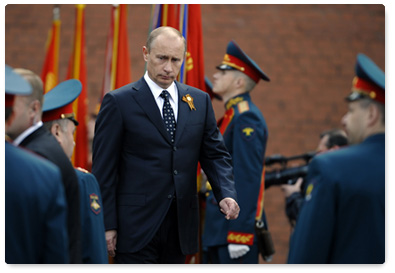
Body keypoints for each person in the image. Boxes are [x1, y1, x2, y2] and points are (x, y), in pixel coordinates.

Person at [92, 26, 240, 264]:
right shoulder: (119, 102)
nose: (168, 68)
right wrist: (107, 224)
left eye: (175, 60)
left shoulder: (199, 101)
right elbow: (104, 170)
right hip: (135, 229)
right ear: (146, 53)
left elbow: (214, 154)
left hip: (180, 228)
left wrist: (226, 193)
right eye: (161, 58)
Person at [287, 53, 385, 263]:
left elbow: (305, 258)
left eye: (351, 110)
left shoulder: (330, 167)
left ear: (372, 116)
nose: (344, 120)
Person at [201, 40, 270, 264]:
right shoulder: (231, 116)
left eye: (224, 71)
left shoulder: (246, 117)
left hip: (232, 231)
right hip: (217, 228)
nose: (216, 74)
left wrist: (241, 234)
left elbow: (247, 176)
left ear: (239, 82)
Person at [6, 68, 82, 263]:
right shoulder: (37, 148)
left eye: (11, 104)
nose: (6, 110)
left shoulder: (38, 155)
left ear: (33, 109)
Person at [42, 79, 108, 264]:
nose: (75, 142)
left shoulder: (25, 175)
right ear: (56, 131)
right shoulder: (82, 181)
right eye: (71, 133)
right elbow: (94, 249)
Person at [281, 129, 348, 226]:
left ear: (334, 150)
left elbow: (313, 220)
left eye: (319, 151)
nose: (316, 157)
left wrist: (293, 196)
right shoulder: (346, 176)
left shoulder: (332, 181)